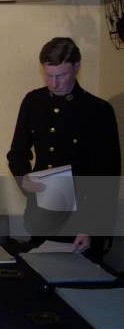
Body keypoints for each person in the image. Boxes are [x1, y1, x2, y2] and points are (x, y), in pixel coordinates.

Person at [7, 37, 120, 255]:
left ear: (77, 67)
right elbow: (17, 153)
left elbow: (107, 176)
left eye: (61, 75)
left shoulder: (98, 110)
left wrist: (92, 226)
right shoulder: (34, 101)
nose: (54, 84)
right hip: (42, 215)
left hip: (81, 221)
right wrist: (24, 178)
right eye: (48, 75)